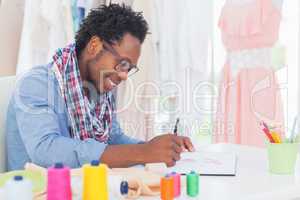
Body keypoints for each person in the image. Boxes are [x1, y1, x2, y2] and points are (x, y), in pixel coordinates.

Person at [6, 3, 194, 170]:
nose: (124, 75)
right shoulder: (37, 84)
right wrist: (143, 152)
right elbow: (46, 150)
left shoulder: (101, 89)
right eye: (122, 63)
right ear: (94, 46)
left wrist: (157, 148)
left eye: (129, 69)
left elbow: (113, 138)